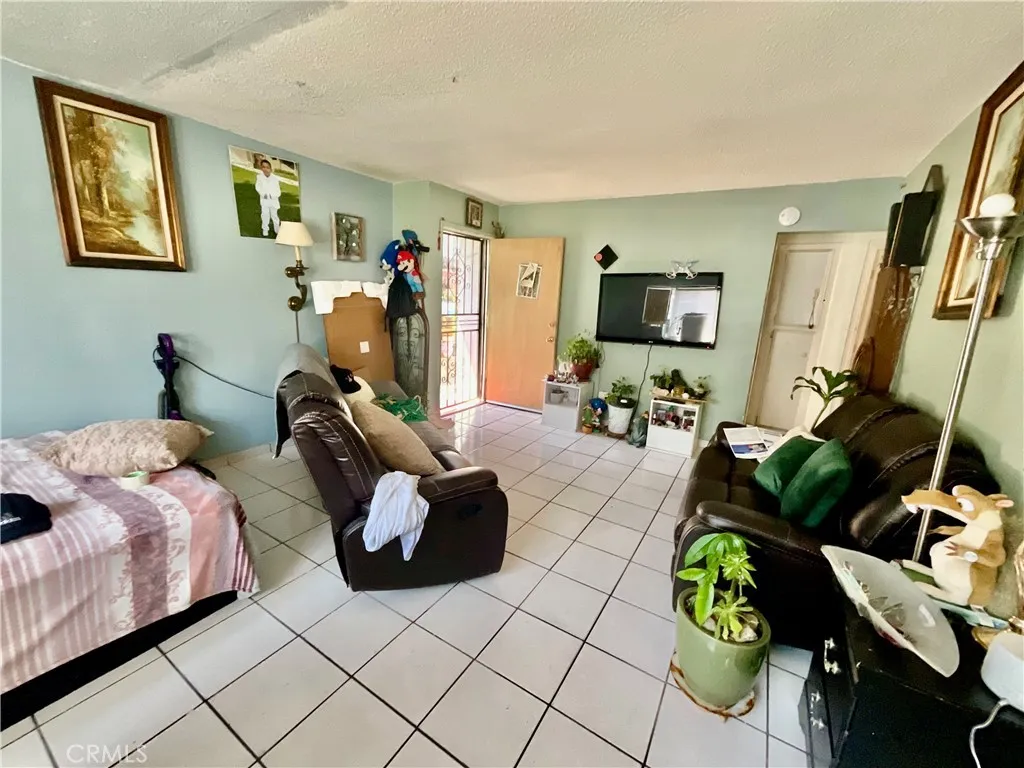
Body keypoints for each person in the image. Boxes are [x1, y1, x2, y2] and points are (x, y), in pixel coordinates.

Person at [254, 158, 281, 237]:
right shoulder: (259, 177)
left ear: (270, 169)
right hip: (264, 200)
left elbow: (278, 191)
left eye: (267, 167)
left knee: (274, 216)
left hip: (273, 200)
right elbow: (258, 187)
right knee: (265, 215)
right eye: (263, 167)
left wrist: (273, 196)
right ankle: (265, 229)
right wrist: (263, 194)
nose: (265, 169)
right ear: (261, 168)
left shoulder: (275, 179)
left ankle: (277, 230)